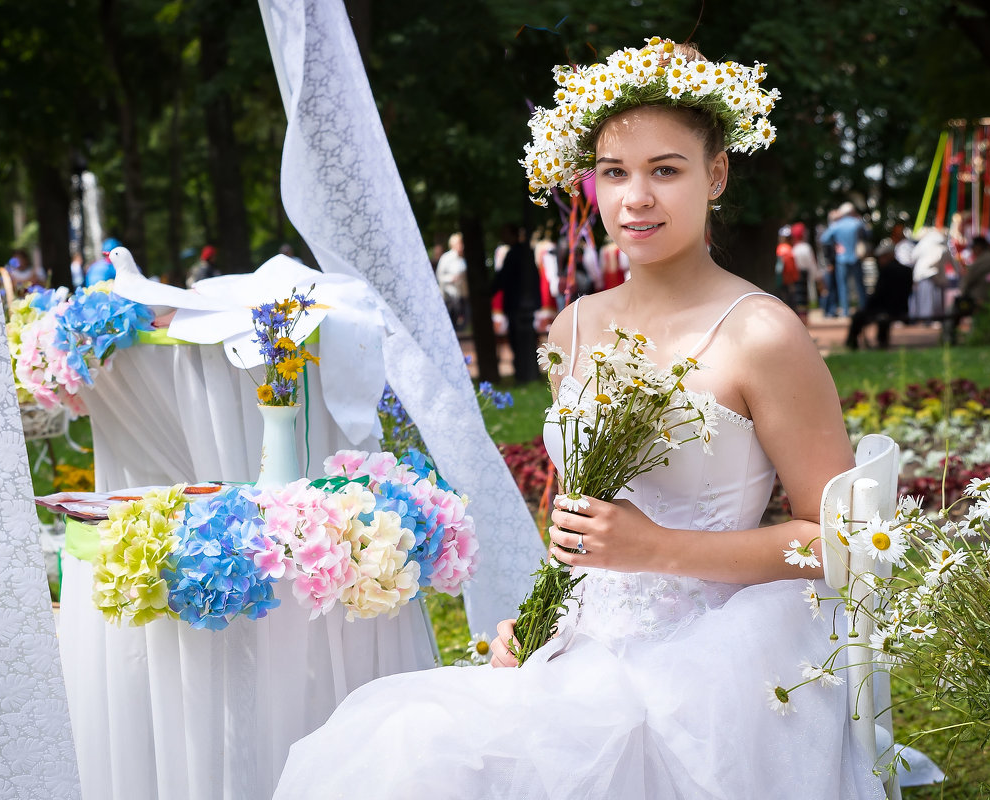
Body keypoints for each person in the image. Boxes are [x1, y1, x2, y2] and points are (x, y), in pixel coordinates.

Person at [275, 37, 883, 800]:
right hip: (586, 638)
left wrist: (657, 548)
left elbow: (837, 541)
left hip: (711, 656)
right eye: (614, 172)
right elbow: (575, 529)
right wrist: (538, 623)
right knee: (402, 747)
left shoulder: (759, 333)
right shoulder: (575, 328)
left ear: (716, 173)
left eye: (667, 170)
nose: (637, 198)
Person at [491, 223, 541, 383]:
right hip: (523, 304)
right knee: (524, 340)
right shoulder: (524, 252)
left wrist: (488, 290)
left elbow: (503, 278)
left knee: (519, 341)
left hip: (517, 304)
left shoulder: (514, 254)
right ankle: (526, 373)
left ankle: (523, 374)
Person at [845, 242, 913, 350]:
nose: (879, 261)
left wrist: (867, 306)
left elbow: (879, 294)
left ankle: (851, 343)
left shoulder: (886, 271)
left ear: (888, 256)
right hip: (901, 308)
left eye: (881, 257)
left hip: (886, 309)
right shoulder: (907, 271)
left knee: (859, 316)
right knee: (880, 316)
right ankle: (882, 341)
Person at [947, 235, 990, 343]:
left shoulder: (980, 262)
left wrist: (962, 294)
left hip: (978, 300)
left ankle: (949, 338)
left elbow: (966, 282)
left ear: (978, 248)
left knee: (952, 309)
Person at [820, 202, 869, 317]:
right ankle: (864, 309)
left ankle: (845, 311)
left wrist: (837, 245)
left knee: (843, 287)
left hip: (841, 259)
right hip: (856, 258)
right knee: (860, 286)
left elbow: (824, 239)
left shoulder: (837, 225)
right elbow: (867, 235)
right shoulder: (858, 223)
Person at [436, 232, 469, 330]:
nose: (461, 246)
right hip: (451, 297)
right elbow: (439, 276)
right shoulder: (446, 258)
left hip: (464, 296)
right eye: (459, 243)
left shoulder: (465, 257)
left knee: (465, 322)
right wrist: (451, 278)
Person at [789, 222, 817, 322]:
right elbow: (811, 263)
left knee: (798, 296)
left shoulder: (794, 248)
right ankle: (805, 317)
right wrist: (814, 275)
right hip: (805, 274)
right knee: (804, 297)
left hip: (796, 274)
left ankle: (800, 317)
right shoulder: (806, 247)